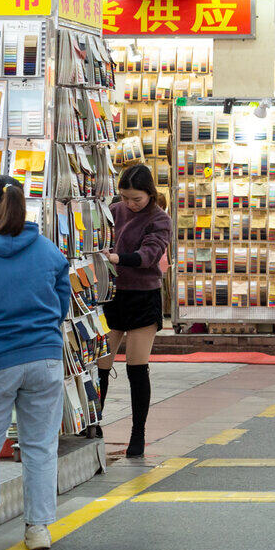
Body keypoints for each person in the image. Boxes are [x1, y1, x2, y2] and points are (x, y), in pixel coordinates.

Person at [0, 175, 71, 550]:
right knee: (39, 445)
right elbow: (61, 304)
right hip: (45, 358)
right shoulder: (48, 251)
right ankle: (38, 528)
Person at [98, 164, 172, 458]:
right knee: (100, 365)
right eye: (125, 197)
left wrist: (117, 257)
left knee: (136, 368)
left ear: (150, 193)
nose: (129, 204)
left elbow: (150, 255)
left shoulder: (160, 219)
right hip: (112, 295)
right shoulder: (113, 211)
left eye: (136, 199)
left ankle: (137, 434)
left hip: (143, 296)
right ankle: (92, 426)